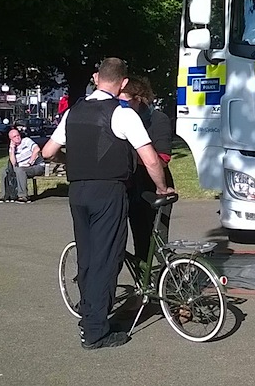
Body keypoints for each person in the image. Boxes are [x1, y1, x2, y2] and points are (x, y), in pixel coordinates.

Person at [41, 58, 174, 350]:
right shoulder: (123, 114)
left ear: (95, 77)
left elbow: (48, 152)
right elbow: (151, 159)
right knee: (106, 257)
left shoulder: (74, 112)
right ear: (123, 83)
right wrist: (163, 187)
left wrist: (69, 160)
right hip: (108, 191)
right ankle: (96, 331)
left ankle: (88, 315)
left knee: (87, 257)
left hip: (77, 192)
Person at [119, 76, 175, 262]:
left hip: (154, 186)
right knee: (138, 239)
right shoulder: (121, 117)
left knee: (156, 241)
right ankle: (144, 283)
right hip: (132, 185)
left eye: (124, 101)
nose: (121, 106)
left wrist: (137, 154)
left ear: (139, 98)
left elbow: (163, 160)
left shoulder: (158, 120)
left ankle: (168, 280)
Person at [0, 127, 44, 204]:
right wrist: (12, 149)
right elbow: (13, 163)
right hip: (22, 168)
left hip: (36, 166)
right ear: (11, 139)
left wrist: (30, 162)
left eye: (18, 135)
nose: (17, 137)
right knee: (4, 171)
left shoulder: (26, 141)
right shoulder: (13, 148)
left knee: (20, 170)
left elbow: (37, 149)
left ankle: (23, 196)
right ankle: (5, 196)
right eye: (14, 137)